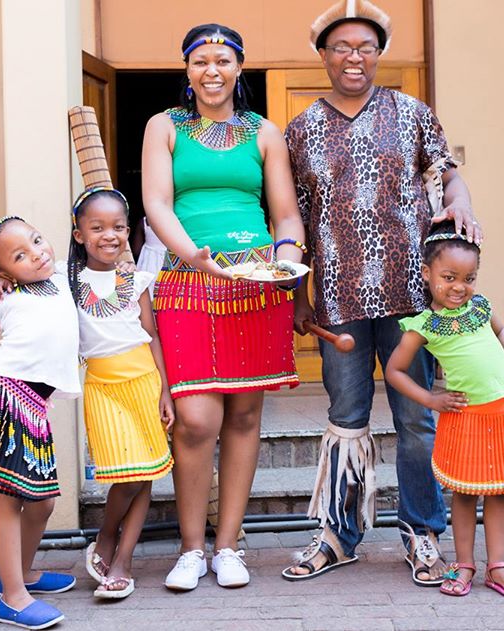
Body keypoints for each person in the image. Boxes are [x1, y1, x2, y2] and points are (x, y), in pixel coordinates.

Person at [282, 0, 483, 585]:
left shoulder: (412, 113)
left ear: (378, 55)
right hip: (338, 297)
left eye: (365, 47)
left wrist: (462, 203)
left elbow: (448, 174)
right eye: (342, 47)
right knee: (345, 418)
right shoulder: (301, 129)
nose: (354, 57)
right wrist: (299, 295)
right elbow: (293, 217)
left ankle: (422, 532)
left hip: (410, 296)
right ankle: (339, 535)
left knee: (417, 419)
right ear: (323, 56)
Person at [141, 23, 306, 590]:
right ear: (187, 71)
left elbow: (286, 214)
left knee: (244, 416)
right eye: (200, 61)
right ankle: (191, 548)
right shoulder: (164, 126)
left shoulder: (264, 132)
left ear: (239, 67)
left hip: (255, 283)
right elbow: (157, 203)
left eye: (223, 61)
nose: (212, 71)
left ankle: (228, 546)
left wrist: (286, 258)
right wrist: (192, 254)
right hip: (187, 279)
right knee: (195, 419)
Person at [385, 220, 504, 598]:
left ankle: (498, 566)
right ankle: (464, 565)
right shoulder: (424, 325)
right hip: (466, 417)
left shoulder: (480, 307)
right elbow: (394, 371)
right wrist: (431, 400)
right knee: (464, 492)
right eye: (449, 277)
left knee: (500, 491)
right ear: (427, 274)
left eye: (469, 278)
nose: (460, 287)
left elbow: (502, 332)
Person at [0, 216, 80, 629]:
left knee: (43, 502)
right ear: (4, 273)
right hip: (0, 394)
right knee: (10, 497)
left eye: (36, 241)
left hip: (33, 404)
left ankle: (20, 575)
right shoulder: (2, 297)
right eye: (20, 256)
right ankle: (13, 598)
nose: (37, 254)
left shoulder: (64, 277)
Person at [67, 187, 175, 600]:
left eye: (117, 227)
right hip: (103, 387)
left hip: (144, 382)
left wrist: (165, 391)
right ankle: (107, 535)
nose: (108, 235)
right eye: (97, 228)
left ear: (128, 232)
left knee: (144, 473)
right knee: (128, 476)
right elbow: (20, 277)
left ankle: (123, 561)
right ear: (79, 235)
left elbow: (151, 335)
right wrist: (0, 281)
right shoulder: (65, 279)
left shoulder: (136, 279)